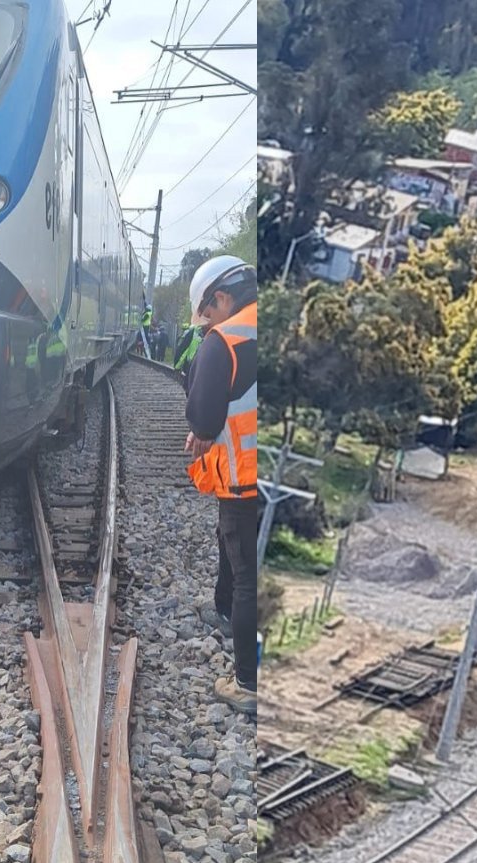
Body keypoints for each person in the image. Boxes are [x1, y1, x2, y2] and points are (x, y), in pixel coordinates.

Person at [183, 255, 259, 715]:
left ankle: (248, 683)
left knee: (248, 573)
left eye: (207, 312)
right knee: (242, 558)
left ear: (223, 298)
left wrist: (201, 430)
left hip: (245, 477)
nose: (206, 323)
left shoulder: (224, 340)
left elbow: (204, 416)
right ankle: (224, 608)